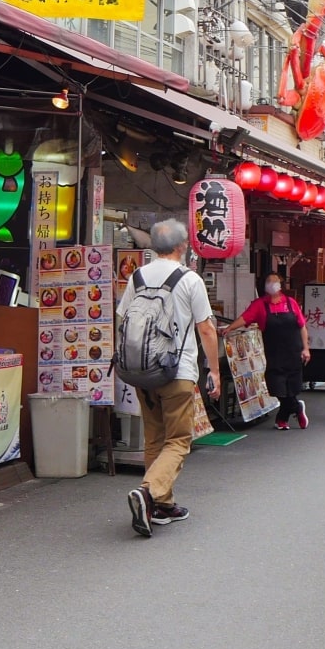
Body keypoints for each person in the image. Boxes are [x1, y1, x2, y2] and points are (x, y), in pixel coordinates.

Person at [120, 220, 222, 538]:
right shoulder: (190, 279)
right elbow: (206, 328)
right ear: (182, 246)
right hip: (177, 371)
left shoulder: (137, 276)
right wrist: (214, 371)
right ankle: (149, 492)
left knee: (155, 439)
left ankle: (162, 506)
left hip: (142, 371)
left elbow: (124, 318)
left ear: (153, 247)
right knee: (178, 440)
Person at [224, 272, 309, 429]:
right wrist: (229, 328)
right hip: (274, 353)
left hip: (293, 351)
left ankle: (282, 420)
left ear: (281, 285)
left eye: (274, 281)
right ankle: (297, 407)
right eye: (268, 281)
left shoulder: (290, 303)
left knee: (291, 386)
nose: (271, 284)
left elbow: (302, 325)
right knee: (277, 387)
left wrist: (306, 348)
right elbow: (245, 318)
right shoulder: (260, 304)